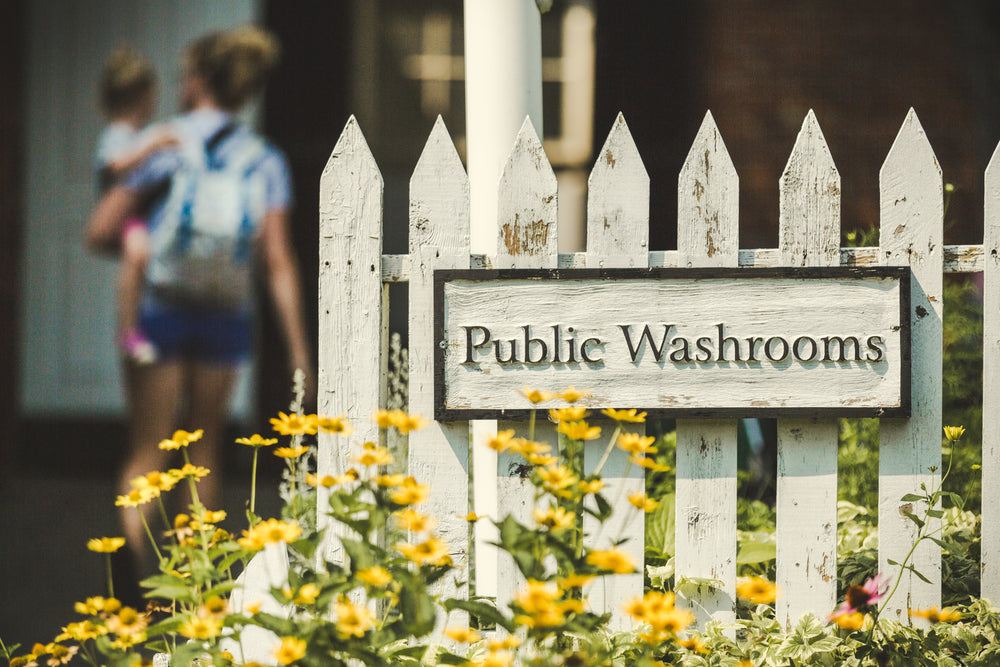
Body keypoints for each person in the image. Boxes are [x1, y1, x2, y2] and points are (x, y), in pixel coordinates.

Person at [86, 26, 313, 583]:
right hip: (227, 316)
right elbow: (279, 261)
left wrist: (134, 240)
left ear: (200, 81)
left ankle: (130, 561)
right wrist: (298, 349)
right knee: (204, 447)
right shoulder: (263, 159)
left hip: (162, 309)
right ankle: (194, 575)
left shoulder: (166, 143)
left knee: (149, 448)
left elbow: (100, 230)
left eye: (186, 73)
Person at [95, 46, 178, 363]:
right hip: (126, 217)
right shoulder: (117, 134)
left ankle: (138, 324)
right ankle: (128, 331)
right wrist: (153, 142)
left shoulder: (133, 133)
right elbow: (115, 165)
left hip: (138, 216)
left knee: (145, 260)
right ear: (143, 96)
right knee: (138, 253)